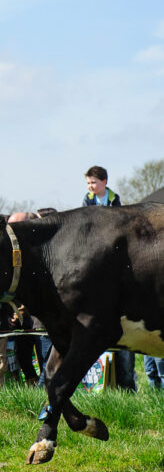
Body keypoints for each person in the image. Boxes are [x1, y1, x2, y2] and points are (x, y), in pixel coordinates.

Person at [81, 165, 133, 390]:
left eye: (93, 182)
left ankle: (128, 387)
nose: (90, 187)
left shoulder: (114, 200)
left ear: (104, 182)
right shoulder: (87, 200)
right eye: (88, 183)